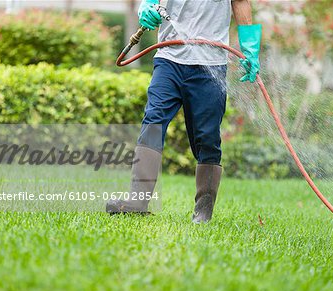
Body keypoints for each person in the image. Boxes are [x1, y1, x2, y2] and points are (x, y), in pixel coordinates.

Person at [107, 0, 261, 223]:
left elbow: (240, 2)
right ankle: (137, 200)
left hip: (211, 64)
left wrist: (250, 48)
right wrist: (147, 5)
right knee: (153, 120)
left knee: (207, 137)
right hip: (169, 59)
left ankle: (204, 208)